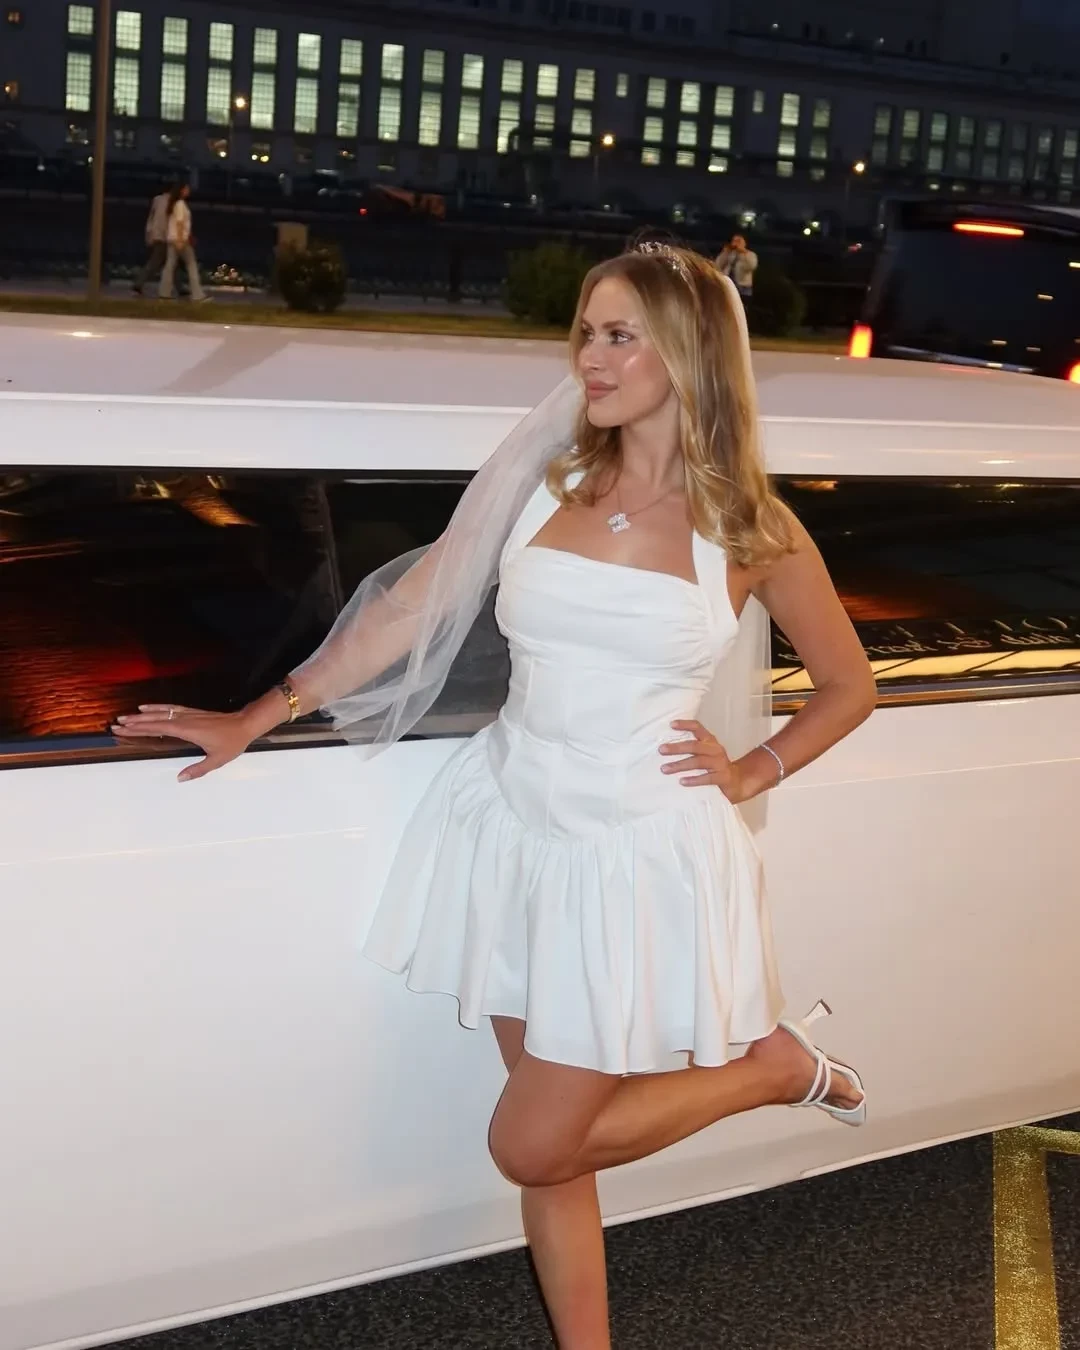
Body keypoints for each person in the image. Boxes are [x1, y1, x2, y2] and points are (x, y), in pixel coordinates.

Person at [113, 242, 877, 1350]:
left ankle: (774, 1069)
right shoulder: (544, 481)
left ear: (690, 352)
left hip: (633, 859)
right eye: (587, 332)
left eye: (620, 335)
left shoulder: (752, 528)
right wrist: (257, 714)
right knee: (556, 1153)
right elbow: (403, 610)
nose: (591, 356)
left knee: (531, 1145)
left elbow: (850, 686)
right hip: (515, 830)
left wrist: (754, 769)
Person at [158, 183, 207, 303]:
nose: (188, 191)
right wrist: (181, 240)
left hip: (172, 239)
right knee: (191, 265)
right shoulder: (180, 204)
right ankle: (197, 294)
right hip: (180, 240)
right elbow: (180, 223)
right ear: (181, 191)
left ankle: (164, 293)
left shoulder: (174, 204)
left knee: (170, 265)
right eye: (186, 189)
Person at [132, 186, 172, 296]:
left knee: (169, 262)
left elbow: (152, 219)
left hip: (158, 235)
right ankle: (139, 283)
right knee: (157, 262)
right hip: (164, 237)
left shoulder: (157, 200)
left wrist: (150, 235)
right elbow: (163, 220)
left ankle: (181, 287)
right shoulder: (168, 202)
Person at [715, 232, 758, 300]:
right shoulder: (730, 253)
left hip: (743, 287)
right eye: (734, 241)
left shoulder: (750, 254)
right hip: (728, 285)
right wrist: (724, 253)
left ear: (744, 243)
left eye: (739, 241)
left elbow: (752, 266)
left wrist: (743, 252)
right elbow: (718, 265)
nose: (736, 243)